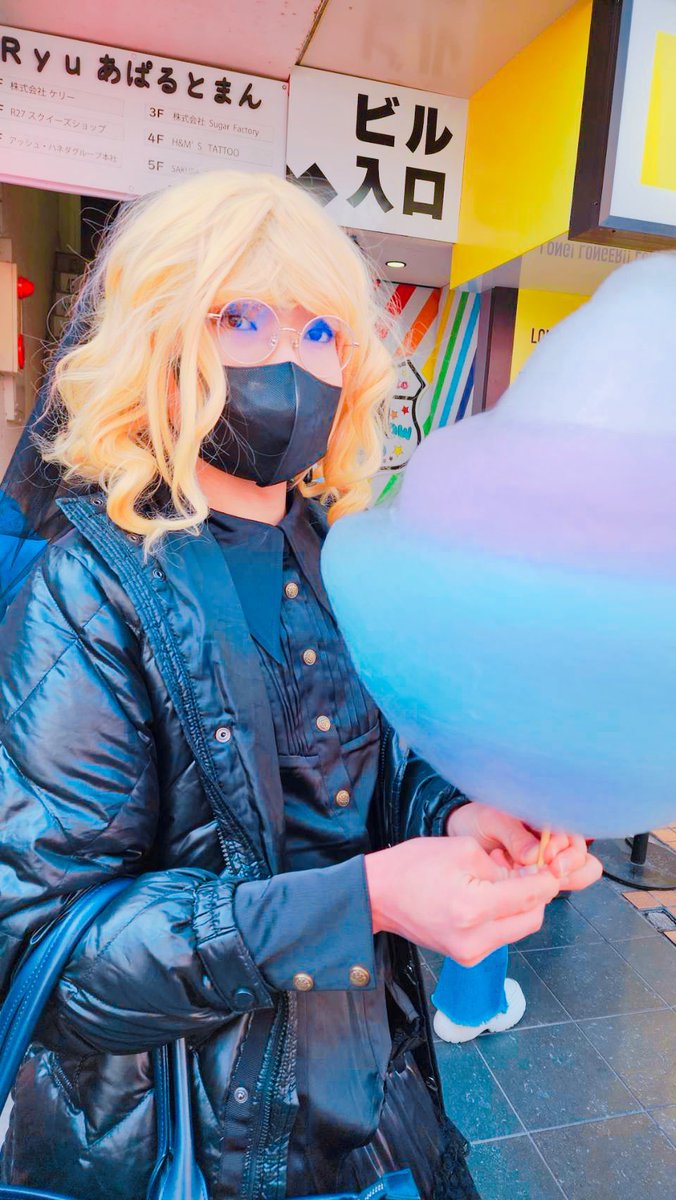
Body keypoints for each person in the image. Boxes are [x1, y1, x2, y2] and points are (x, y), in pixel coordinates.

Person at [0, 171, 601, 1200]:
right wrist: (366, 899)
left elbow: (364, 769)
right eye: (243, 318)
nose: (291, 359)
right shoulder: (89, 592)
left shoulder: (339, 559)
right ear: (161, 339)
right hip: (190, 1141)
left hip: (371, 1095)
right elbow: (51, 956)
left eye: (321, 330)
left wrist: (458, 817)